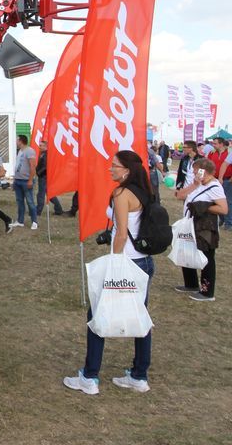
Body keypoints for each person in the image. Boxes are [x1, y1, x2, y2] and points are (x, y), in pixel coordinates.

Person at [64, 149, 155, 395]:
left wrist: (115, 262)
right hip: (144, 263)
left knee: (97, 316)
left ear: (126, 170)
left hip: (126, 262)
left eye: (114, 165)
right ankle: (139, 375)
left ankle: (90, 377)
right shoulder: (145, 191)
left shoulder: (122, 193)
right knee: (140, 318)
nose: (110, 169)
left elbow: (123, 233)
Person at [173, 156, 227, 300]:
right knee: (187, 252)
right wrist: (194, 185)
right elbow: (179, 196)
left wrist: (203, 207)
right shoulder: (198, 184)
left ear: (204, 171)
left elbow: (223, 209)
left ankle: (207, 292)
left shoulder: (215, 187)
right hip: (190, 225)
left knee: (207, 258)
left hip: (205, 227)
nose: (194, 173)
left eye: (196, 171)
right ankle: (190, 283)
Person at [10, 134, 37, 230]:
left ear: (21, 141)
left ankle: (34, 221)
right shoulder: (20, 151)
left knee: (30, 202)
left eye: (17, 140)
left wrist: (30, 180)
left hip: (26, 180)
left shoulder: (29, 151)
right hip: (18, 180)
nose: (16, 142)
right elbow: (18, 165)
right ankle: (20, 221)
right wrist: (14, 180)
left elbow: (33, 166)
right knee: (20, 201)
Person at [35, 140, 63, 216]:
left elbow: (45, 166)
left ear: (45, 147)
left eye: (41, 145)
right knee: (50, 194)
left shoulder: (46, 155)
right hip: (44, 176)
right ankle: (59, 209)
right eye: (39, 145)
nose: (39, 147)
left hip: (43, 177)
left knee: (40, 194)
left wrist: (38, 173)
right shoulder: (43, 154)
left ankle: (38, 211)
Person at [218, 140, 232, 232]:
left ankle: (228, 222)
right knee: (225, 201)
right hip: (225, 181)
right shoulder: (212, 153)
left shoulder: (228, 151)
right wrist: (220, 177)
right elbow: (225, 164)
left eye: (215, 143)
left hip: (229, 180)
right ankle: (226, 221)